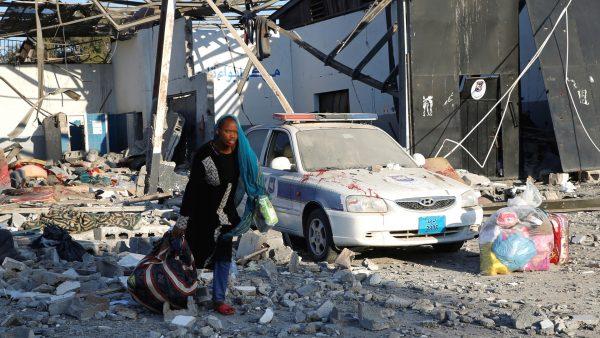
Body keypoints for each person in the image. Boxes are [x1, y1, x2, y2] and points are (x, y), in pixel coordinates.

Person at [175, 115, 263, 316]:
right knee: (195, 254)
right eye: (227, 131)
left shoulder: (241, 153)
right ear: (217, 131)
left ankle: (219, 300)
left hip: (226, 215)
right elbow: (192, 189)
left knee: (223, 255)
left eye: (234, 132)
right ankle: (183, 293)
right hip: (202, 215)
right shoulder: (205, 155)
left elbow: (253, 175)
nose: (231, 136)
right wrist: (183, 220)